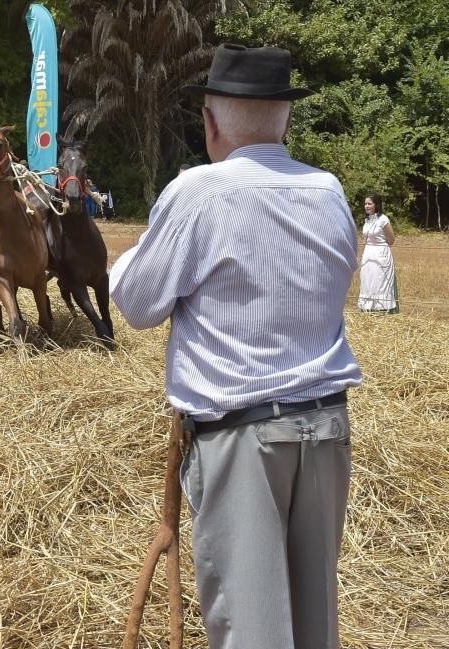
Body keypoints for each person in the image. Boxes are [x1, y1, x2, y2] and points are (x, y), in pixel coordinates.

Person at [109, 44, 361, 649]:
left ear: (211, 122)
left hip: (242, 437)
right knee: (313, 626)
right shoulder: (327, 191)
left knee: (252, 631)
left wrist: (123, 263)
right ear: (286, 120)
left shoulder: (200, 191)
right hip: (325, 428)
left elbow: (139, 304)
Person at [358, 192, 398, 313]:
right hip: (368, 254)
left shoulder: (383, 219)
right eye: (365, 204)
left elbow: (391, 240)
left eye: (369, 203)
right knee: (368, 280)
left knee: (380, 282)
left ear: (376, 205)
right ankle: (368, 309)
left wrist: (378, 248)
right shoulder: (367, 220)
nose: (367, 206)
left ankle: (382, 310)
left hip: (381, 254)